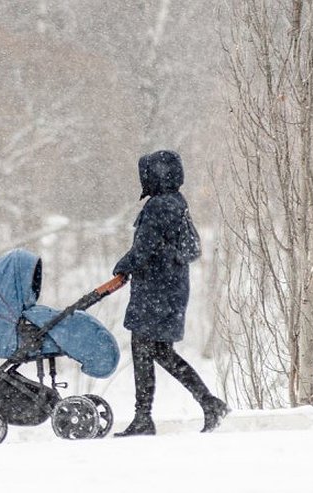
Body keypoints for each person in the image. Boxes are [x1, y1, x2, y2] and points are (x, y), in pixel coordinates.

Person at [112, 149, 230, 437]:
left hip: (155, 291)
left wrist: (123, 266)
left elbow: (144, 249)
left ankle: (145, 417)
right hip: (168, 289)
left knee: (145, 350)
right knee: (161, 352)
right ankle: (208, 403)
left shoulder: (158, 206)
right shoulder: (176, 202)